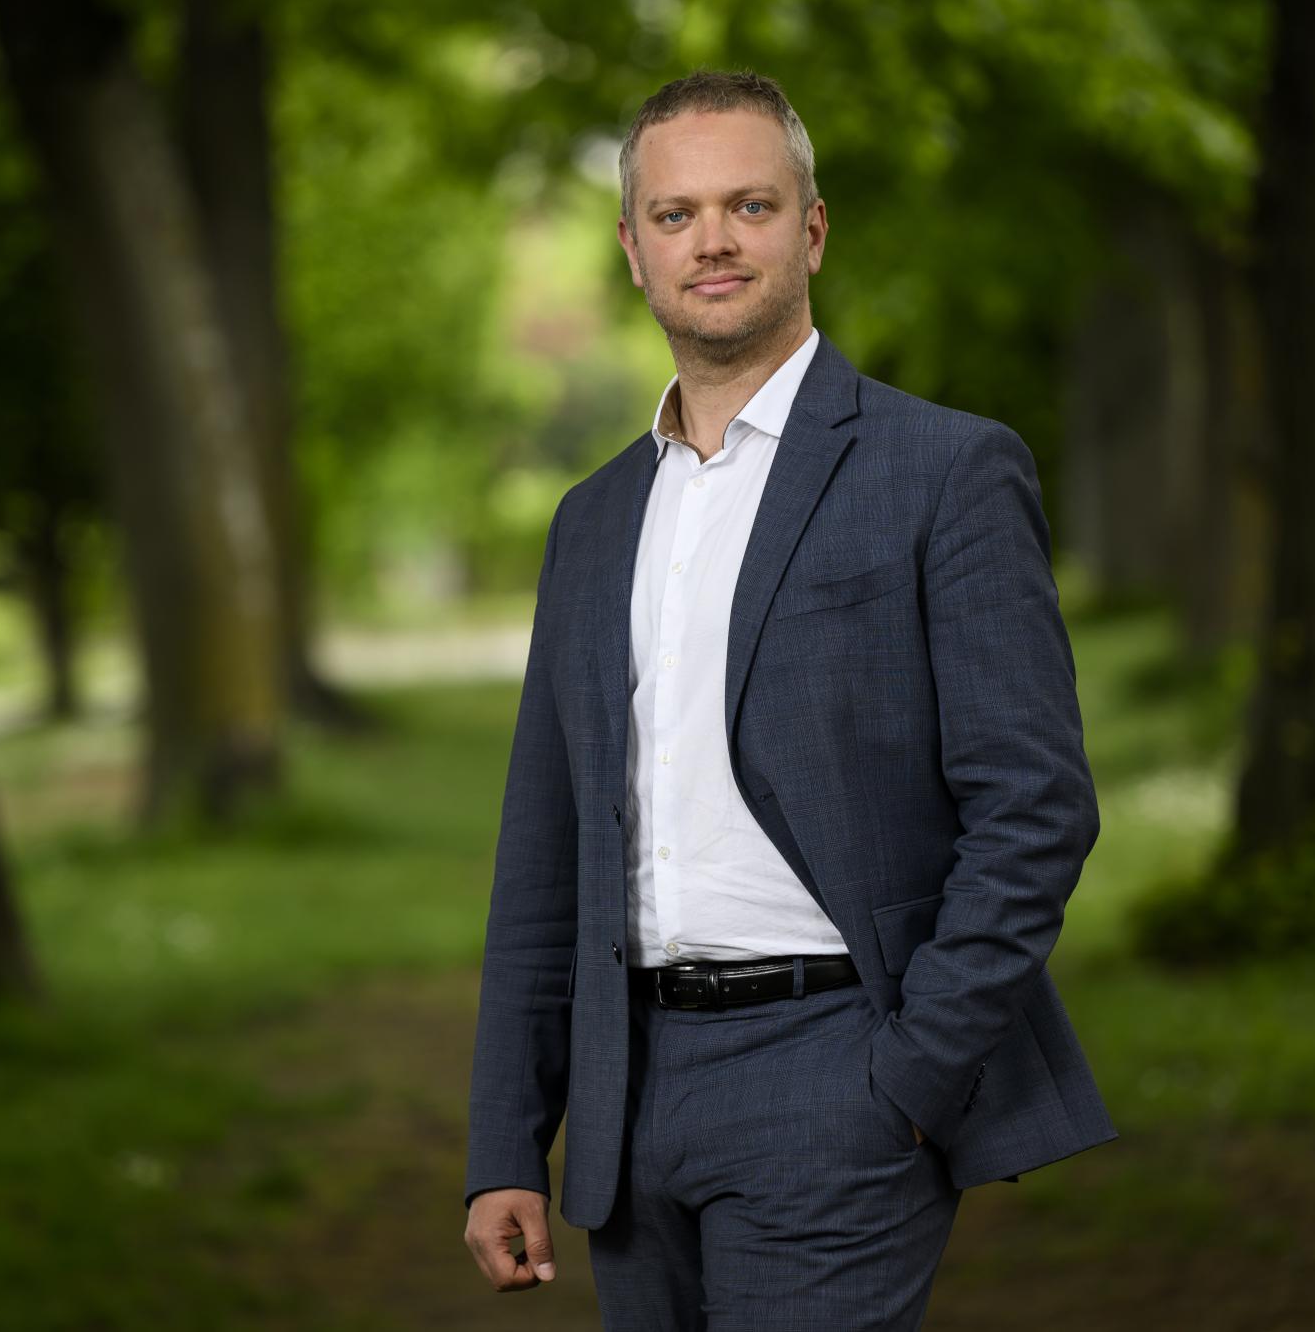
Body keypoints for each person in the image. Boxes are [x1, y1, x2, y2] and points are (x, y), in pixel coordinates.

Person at [461, 69, 1117, 1329]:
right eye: (674, 214)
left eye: (748, 205)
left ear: (809, 228)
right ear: (631, 250)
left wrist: (909, 1075)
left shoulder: (944, 471)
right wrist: (506, 1138)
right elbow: (543, 853)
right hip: (624, 1096)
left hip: (835, 1075)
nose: (710, 240)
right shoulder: (591, 522)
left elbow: (1033, 807)